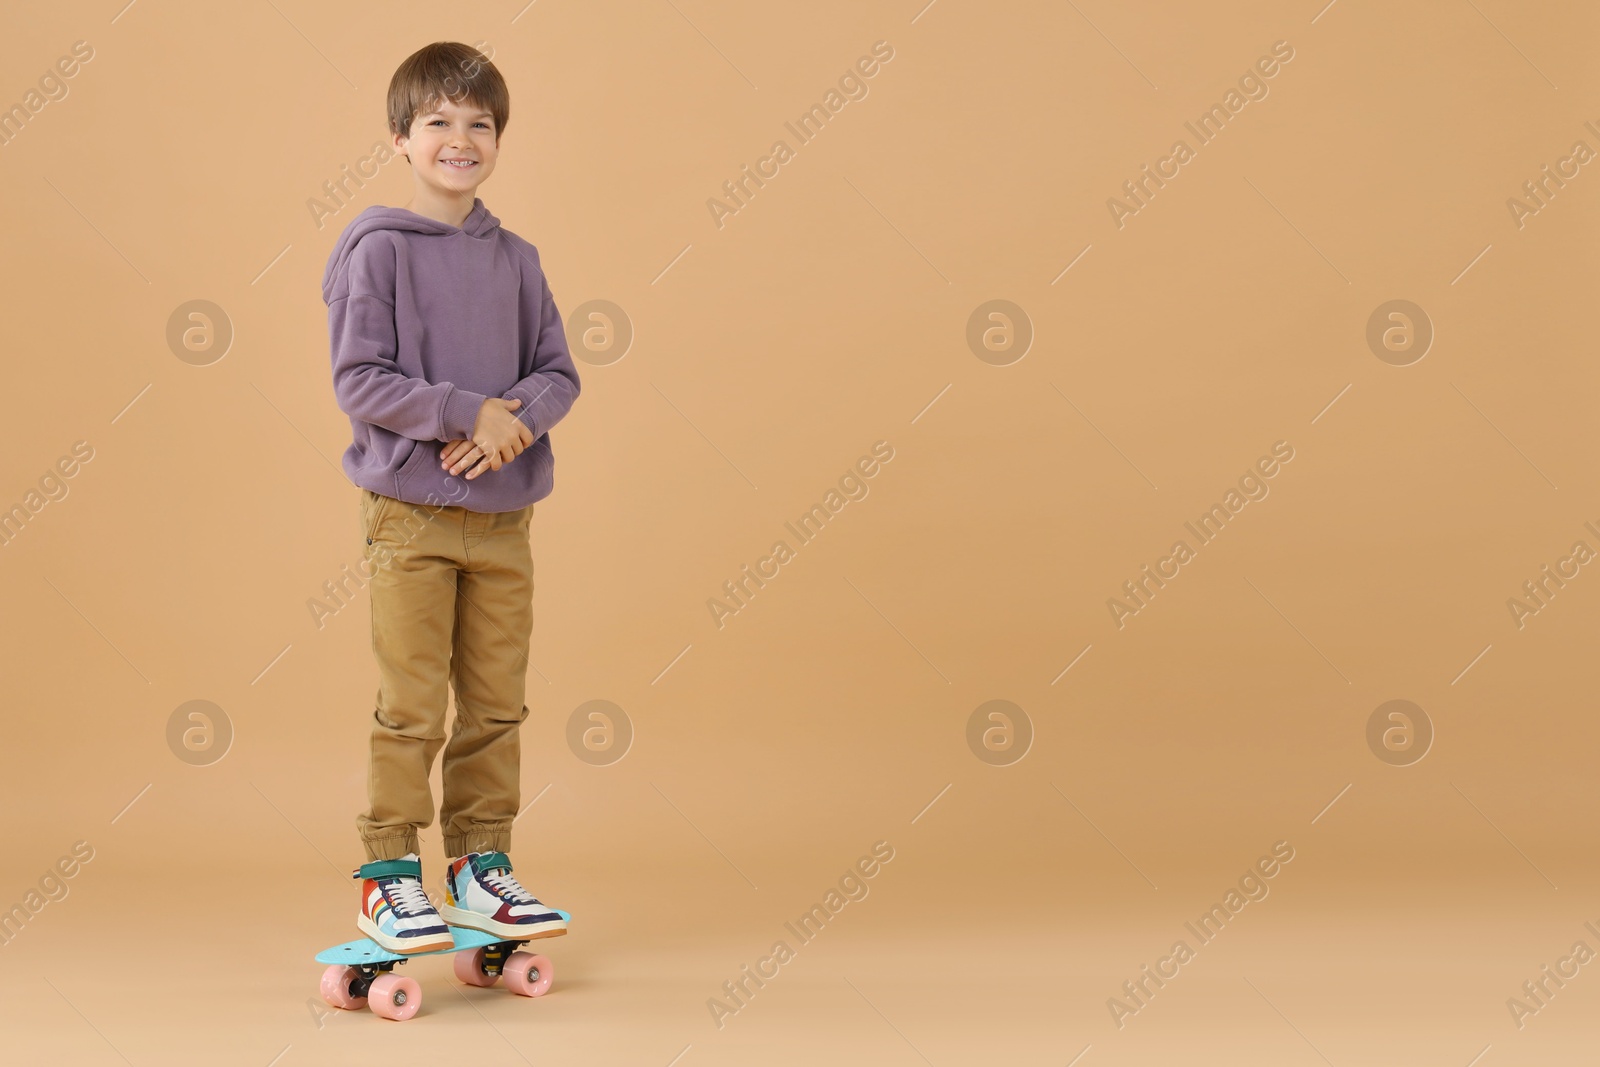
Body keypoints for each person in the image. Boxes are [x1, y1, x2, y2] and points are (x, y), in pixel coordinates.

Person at [321, 41, 580, 953]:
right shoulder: (379, 251)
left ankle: (480, 865)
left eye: (479, 124)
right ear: (401, 137)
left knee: (497, 703)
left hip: (504, 522)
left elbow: (558, 372)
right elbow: (361, 378)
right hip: (410, 519)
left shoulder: (519, 259)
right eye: (438, 122)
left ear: (499, 139)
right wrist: (465, 409)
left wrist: (513, 418)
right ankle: (390, 874)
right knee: (412, 705)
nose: (459, 139)